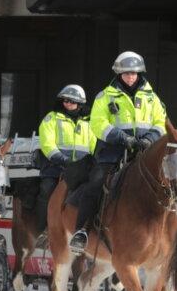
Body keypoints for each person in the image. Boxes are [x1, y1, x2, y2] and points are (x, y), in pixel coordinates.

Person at [69, 51, 168, 253]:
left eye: (134, 73)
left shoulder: (152, 98)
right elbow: (97, 123)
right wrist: (121, 137)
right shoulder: (105, 96)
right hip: (113, 154)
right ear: (119, 74)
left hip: (143, 152)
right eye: (126, 73)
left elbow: (161, 121)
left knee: (168, 184)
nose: (130, 77)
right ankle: (82, 232)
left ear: (139, 74)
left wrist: (149, 138)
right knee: (95, 183)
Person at [35, 85, 94, 233]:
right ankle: (44, 230)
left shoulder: (89, 121)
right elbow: (47, 143)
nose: (67, 103)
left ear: (80, 103)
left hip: (82, 167)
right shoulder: (52, 118)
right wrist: (61, 159)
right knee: (46, 189)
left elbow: (94, 143)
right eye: (65, 100)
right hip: (56, 166)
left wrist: (92, 160)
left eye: (72, 101)